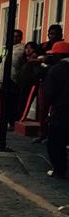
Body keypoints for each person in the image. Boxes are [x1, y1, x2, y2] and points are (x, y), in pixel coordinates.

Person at [43, 41, 69, 178]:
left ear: (58, 55)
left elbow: (49, 94)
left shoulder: (55, 70)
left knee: (55, 143)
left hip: (60, 111)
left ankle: (59, 170)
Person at [0, 29, 25, 129]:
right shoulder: (6, 48)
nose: (15, 38)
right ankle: (3, 121)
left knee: (11, 102)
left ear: (21, 38)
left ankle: (11, 122)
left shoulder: (21, 49)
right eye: (13, 36)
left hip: (13, 77)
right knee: (3, 101)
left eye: (18, 36)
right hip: (3, 76)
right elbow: (2, 58)